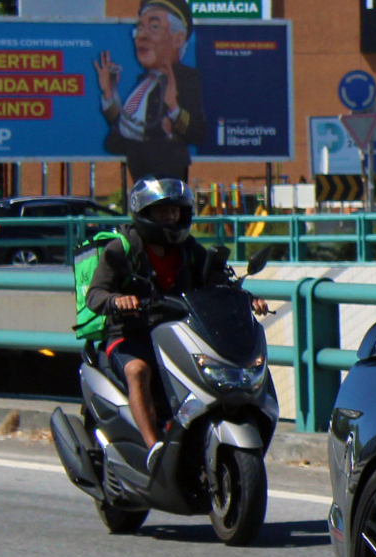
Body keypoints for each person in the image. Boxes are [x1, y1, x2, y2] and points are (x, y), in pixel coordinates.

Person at [84, 177, 264, 461]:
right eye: (162, 210)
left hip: (178, 331)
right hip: (131, 333)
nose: (171, 216)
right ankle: (154, 448)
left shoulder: (189, 249)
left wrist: (247, 299)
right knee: (138, 371)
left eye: (176, 210)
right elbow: (94, 294)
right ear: (144, 214)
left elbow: (218, 282)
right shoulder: (121, 250)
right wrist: (117, 300)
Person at [96, 0, 204, 183]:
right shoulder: (143, 82)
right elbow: (125, 132)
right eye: (140, 28)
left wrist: (174, 109)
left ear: (178, 38)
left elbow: (199, 133)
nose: (142, 36)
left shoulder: (190, 79)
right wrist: (109, 94)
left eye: (154, 27)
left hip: (166, 182)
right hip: (140, 179)